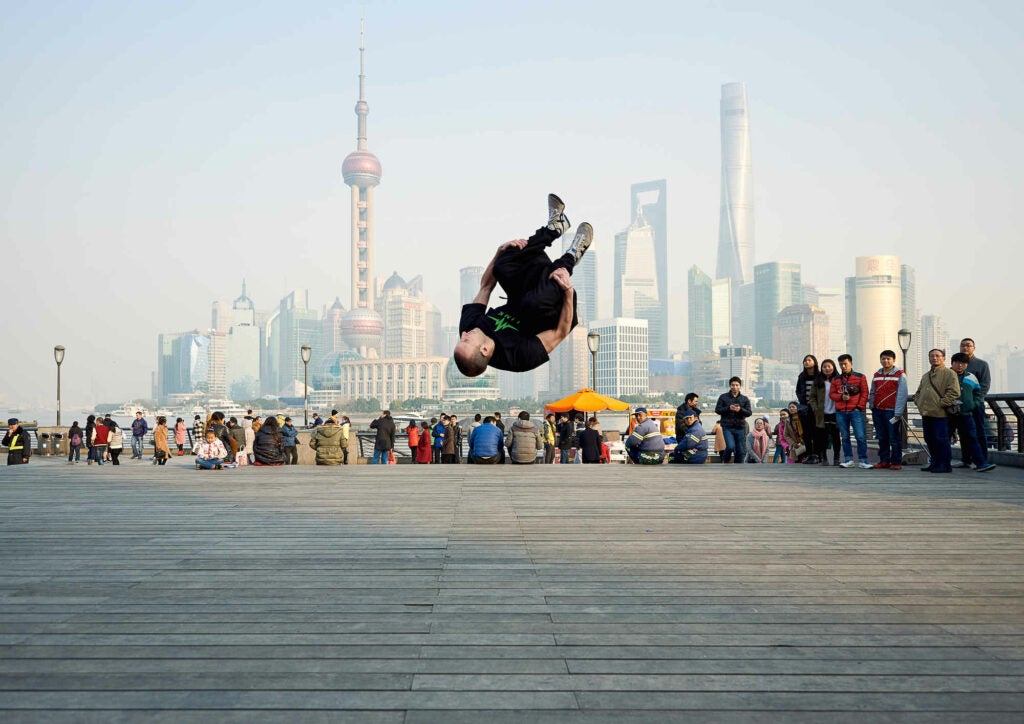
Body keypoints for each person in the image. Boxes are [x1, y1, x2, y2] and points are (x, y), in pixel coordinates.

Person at [455, 194, 593, 376]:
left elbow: (486, 286)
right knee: (532, 303)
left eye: (462, 338)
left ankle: (554, 227)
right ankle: (572, 255)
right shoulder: (517, 357)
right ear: (484, 351)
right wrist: (568, 291)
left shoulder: (469, 326)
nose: (464, 335)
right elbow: (560, 332)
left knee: (503, 266)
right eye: (466, 341)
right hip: (556, 309)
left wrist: (499, 252)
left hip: (525, 293)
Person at [915, 348, 960, 474]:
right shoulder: (926, 376)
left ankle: (945, 465)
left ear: (944, 358)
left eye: (937, 356)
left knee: (941, 439)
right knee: (929, 439)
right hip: (926, 413)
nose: (935, 358)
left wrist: (941, 404)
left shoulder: (949, 374)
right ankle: (934, 463)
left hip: (941, 414)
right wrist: (919, 404)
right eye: (932, 356)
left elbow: (954, 392)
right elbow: (918, 392)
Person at [949, 352, 997, 473]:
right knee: (944, 437)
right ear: (952, 363)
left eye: (963, 363)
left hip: (966, 413)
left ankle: (981, 463)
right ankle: (940, 461)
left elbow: (978, 392)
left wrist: (973, 404)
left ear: (966, 365)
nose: (960, 365)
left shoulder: (971, 377)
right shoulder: (946, 375)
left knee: (971, 437)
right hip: (948, 413)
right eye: (957, 363)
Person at [830, 355, 873, 469]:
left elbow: (865, 393)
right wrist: (840, 397)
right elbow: (832, 394)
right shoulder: (836, 379)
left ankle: (863, 460)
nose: (843, 366)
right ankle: (848, 459)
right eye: (841, 364)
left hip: (855, 411)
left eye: (845, 364)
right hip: (840, 412)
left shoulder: (860, 377)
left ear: (851, 363)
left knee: (860, 436)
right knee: (844, 437)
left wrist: (859, 407)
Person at [868, 349, 908, 470]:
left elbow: (902, 394)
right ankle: (884, 460)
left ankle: (896, 462)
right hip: (878, 411)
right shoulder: (877, 375)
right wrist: (871, 405)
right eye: (883, 358)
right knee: (881, 437)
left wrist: (898, 412)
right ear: (880, 360)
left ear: (893, 360)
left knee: (894, 437)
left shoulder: (900, 374)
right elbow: (873, 391)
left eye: (888, 359)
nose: (885, 361)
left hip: (891, 411)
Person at [959, 338, 992, 465]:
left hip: (976, 404)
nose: (965, 348)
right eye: (963, 345)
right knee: (963, 432)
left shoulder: (981, 364)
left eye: (968, 345)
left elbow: (985, 385)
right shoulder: (957, 364)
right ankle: (965, 460)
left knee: (979, 431)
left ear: (974, 348)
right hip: (961, 405)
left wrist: (976, 401)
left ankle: (982, 459)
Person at [715, 377, 752, 464]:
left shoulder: (745, 399)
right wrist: (728, 408)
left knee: (740, 450)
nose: (734, 387)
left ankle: (737, 467)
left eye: (737, 385)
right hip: (727, 427)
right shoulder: (723, 397)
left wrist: (740, 410)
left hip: (740, 427)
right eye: (733, 385)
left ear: (740, 386)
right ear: (730, 386)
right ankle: (725, 461)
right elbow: (717, 410)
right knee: (731, 446)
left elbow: (749, 413)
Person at [795, 356, 821, 464]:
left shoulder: (820, 376)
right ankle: (809, 455)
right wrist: (802, 401)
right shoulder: (802, 376)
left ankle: (817, 455)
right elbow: (798, 390)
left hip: (817, 408)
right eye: (805, 361)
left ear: (814, 362)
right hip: (804, 408)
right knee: (806, 433)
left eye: (809, 360)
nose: (806, 362)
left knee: (817, 433)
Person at [819, 359, 842, 466]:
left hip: (836, 412)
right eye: (824, 367)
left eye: (829, 366)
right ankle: (824, 458)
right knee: (822, 437)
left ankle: (836, 458)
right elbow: (812, 397)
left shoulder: (839, 380)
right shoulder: (818, 381)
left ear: (834, 367)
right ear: (821, 369)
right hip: (822, 413)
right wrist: (816, 408)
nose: (827, 368)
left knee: (836, 436)